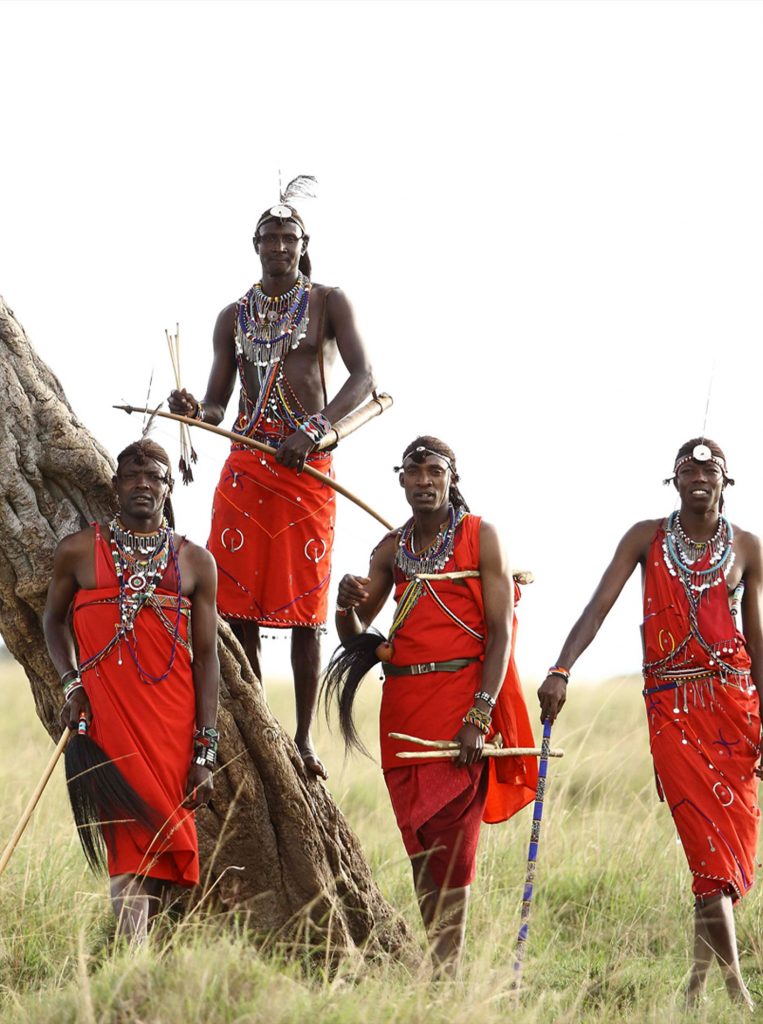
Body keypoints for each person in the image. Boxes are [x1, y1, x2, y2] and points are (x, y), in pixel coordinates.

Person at [537, 438, 763, 1008]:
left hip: (734, 709)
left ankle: (694, 986)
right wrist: (562, 667)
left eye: (709, 473)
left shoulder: (749, 548)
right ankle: (737, 993)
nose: (698, 480)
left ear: (726, 483)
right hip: (672, 708)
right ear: (674, 480)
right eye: (687, 471)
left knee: (721, 853)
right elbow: (598, 606)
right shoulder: (645, 538)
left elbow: (757, 643)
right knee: (704, 847)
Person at [169, 187, 373, 779]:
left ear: (303, 248)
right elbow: (215, 405)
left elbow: (364, 379)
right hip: (246, 468)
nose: (279, 246)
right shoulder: (232, 316)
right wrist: (190, 408)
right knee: (237, 610)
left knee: (308, 608)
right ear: (255, 247)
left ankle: (305, 738)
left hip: (304, 470)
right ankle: (258, 726)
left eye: (290, 238)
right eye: (269, 238)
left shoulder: (329, 303)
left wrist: (316, 432)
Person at [324, 436, 538, 977]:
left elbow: (499, 633)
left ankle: (447, 970)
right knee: (418, 839)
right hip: (402, 713)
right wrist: (344, 603)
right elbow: (356, 636)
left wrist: (480, 713)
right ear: (400, 480)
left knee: (454, 842)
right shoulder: (392, 549)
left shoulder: (481, 536)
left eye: (434, 471)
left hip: (461, 708)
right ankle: (440, 963)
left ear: (451, 477)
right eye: (413, 471)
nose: (424, 480)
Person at [43, 439, 220, 946]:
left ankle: (144, 960)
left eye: (156, 476)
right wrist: (71, 682)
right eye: (133, 475)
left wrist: (204, 748)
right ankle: (133, 964)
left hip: (173, 727)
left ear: (168, 488)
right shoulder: (78, 551)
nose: (144, 483)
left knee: (165, 841)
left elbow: (206, 660)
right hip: (107, 722)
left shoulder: (195, 563)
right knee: (127, 839)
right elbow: (52, 622)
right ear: (116, 485)